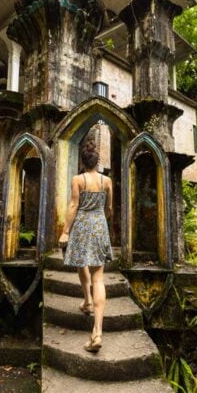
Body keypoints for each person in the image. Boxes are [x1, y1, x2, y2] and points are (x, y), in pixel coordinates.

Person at [58, 138, 113, 352]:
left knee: (82, 263)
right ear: (97, 162)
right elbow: (109, 208)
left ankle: (87, 300)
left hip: (81, 224)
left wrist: (65, 231)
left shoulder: (77, 179)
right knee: (98, 276)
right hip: (99, 224)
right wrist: (101, 220)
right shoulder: (106, 181)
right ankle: (97, 331)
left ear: (82, 161)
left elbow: (73, 205)